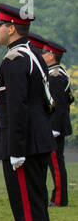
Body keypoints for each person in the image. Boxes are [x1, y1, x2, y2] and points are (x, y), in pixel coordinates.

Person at [0, 4, 54, 221]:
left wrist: (16, 150)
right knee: (36, 206)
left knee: (27, 208)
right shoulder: (33, 54)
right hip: (36, 142)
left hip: (23, 146)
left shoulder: (16, 59)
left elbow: (17, 107)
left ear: (11, 28)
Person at [32, 35, 72, 207]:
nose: (42, 54)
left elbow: (59, 105)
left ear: (51, 55)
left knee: (55, 164)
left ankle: (59, 199)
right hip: (55, 125)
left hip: (54, 127)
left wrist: (54, 128)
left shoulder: (55, 75)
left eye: (45, 52)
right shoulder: (57, 72)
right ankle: (58, 197)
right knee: (54, 163)